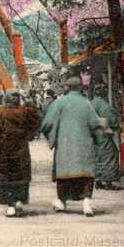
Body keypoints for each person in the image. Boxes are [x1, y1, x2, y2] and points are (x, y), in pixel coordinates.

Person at [41, 76, 104, 217]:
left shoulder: (59, 103)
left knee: (64, 174)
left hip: (64, 146)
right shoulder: (87, 104)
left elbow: (46, 124)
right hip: (84, 147)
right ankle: (86, 202)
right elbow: (96, 125)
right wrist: (98, 142)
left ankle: (62, 202)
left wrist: (52, 138)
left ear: (67, 88)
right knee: (85, 174)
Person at [0, 89, 40, 218]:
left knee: (6, 177)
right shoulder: (25, 111)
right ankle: (18, 202)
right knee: (20, 176)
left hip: (3, 150)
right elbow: (36, 120)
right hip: (21, 149)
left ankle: (10, 205)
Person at [91, 85, 121, 190]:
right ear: (104, 93)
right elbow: (111, 120)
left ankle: (97, 181)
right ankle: (108, 182)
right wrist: (116, 126)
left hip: (92, 134)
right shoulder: (104, 105)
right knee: (109, 156)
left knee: (96, 157)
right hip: (103, 134)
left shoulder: (90, 104)